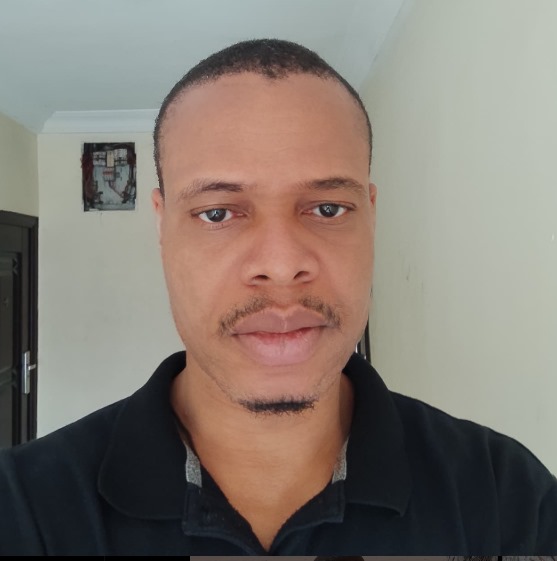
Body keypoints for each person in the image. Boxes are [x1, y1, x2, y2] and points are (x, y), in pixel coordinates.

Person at [0, 39, 555, 555]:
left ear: (371, 216)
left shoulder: (507, 498)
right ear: (162, 227)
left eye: (328, 208)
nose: (282, 265)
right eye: (218, 213)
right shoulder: (23, 508)